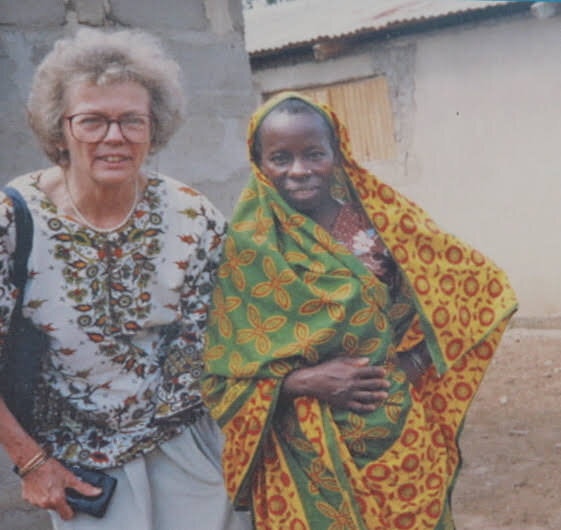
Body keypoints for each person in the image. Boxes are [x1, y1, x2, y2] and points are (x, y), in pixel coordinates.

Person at [202, 92, 518, 529]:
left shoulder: (380, 222)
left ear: (337, 152)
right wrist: (300, 381)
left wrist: (414, 360)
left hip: (397, 433)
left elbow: (479, 290)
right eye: (280, 158)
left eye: (314, 154)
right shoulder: (248, 249)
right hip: (304, 454)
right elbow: (222, 374)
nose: (299, 171)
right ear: (259, 163)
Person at [0, 27, 250, 530]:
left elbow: (241, 324)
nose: (114, 138)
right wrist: (30, 462)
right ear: (60, 129)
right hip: (86, 466)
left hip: (189, 447)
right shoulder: (13, 220)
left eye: (132, 120)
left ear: (153, 128)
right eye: (92, 120)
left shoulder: (190, 213)